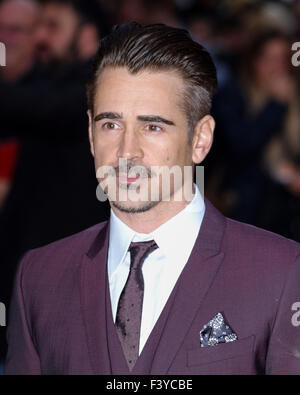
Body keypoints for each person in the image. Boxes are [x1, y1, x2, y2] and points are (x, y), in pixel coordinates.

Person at [4, 22, 300, 375]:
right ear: (90, 133)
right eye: (110, 125)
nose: (127, 152)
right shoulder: (39, 276)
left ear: (200, 139)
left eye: (153, 126)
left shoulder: (281, 271)